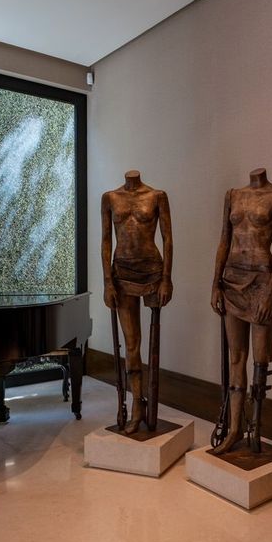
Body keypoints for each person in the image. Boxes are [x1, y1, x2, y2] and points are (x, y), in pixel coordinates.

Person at [210, 168, 272, 454]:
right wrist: (215, 284)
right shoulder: (233, 195)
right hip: (232, 278)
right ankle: (234, 429)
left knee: (260, 359)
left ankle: (255, 429)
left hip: (261, 281)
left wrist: (271, 290)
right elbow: (224, 240)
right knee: (236, 357)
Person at [101, 170, 173, 434]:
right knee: (131, 344)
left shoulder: (157, 196)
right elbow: (106, 240)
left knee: (153, 344)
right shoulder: (110, 197)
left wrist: (166, 279)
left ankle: (149, 402)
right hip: (121, 271)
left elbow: (168, 239)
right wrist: (107, 281)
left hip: (152, 270)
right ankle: (136, 404)